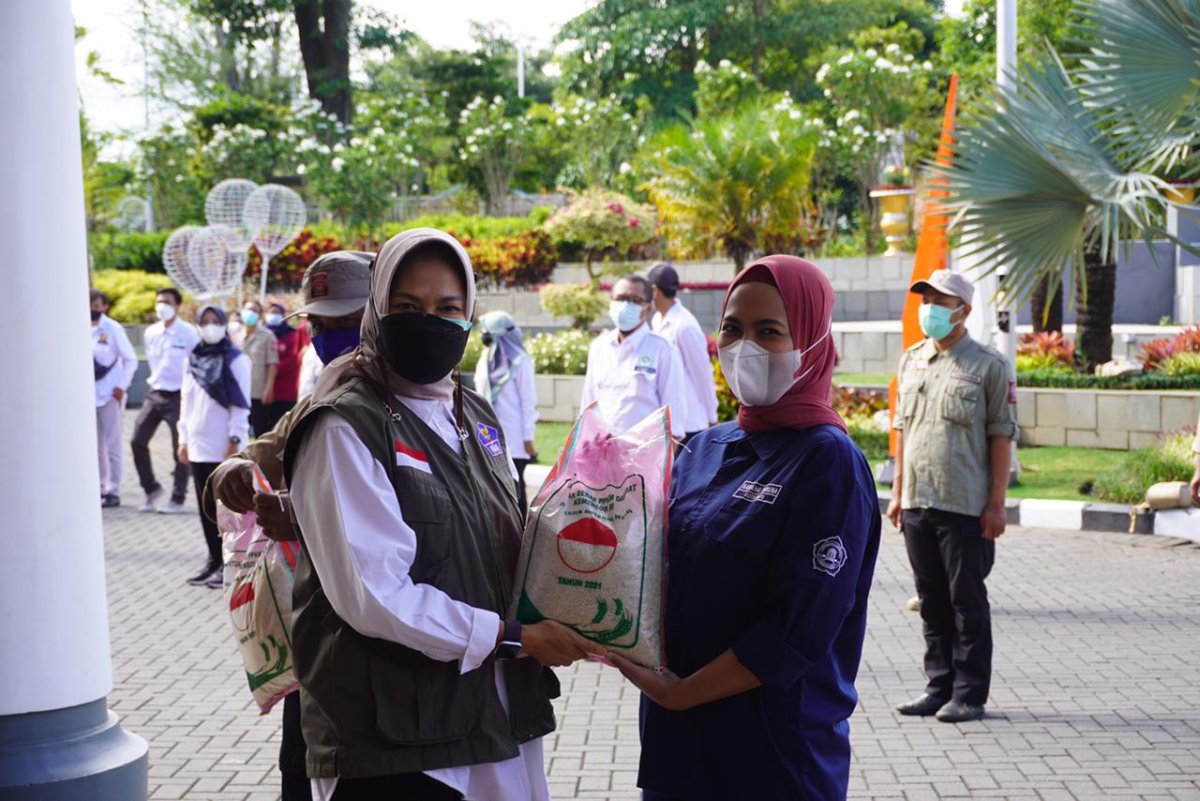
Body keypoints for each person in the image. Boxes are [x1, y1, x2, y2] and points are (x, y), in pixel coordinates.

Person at [282, 229, 600, 800]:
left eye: (447, 307)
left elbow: (503, 540)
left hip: (493, 720)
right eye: (407, 307)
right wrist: (515, 638)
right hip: (397, 744)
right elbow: (375, 595)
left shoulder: (471, 411)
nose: (429, 321)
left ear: (470, 313)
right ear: (376, 312)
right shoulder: (344, 424)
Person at [607, 255, 881, 800]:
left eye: (769, 331)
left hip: (772, 752)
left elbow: (798, 627)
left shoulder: (829, 462)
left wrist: (683, 693)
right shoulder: (706, 447)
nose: (744, 346)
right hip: (677, 744)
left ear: (809, 342)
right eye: (732, 328)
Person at [206, 251, 373, 801]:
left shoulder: (424, 401)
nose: (329, 336)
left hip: (385, 647)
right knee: (300, 767)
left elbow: (406, 516)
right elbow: (271, 448)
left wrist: (302, 518)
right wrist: (236, 466)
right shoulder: (325, 389)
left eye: (344, 322)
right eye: (320, 325)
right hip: (315, 632)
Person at [885, 269, 1018, 724]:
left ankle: (969, 693)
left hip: (965, 504)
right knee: (931, 599)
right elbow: (902, 428)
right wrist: (898, 490)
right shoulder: (911, 360)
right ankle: (938, 686)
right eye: (926, 299)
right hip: (919, 500)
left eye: (940, 302)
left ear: (962, 310)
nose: (930, 309)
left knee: (966, 602)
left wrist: (996, 504)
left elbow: (1002, 435)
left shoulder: (988, 366)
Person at [178, 306, 250, 589]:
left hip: (223, 445)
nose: (210, 326)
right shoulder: (193, 359)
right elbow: (185, 401)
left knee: (227, 510)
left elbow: (240, 404)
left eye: (215, 321)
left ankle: (229, 565)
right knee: (204, 507)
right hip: (197, 444)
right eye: (205, 322)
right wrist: (182, 438)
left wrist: (234, 440)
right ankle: (212, 559)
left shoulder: (236, 359)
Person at [580, 275, 687, 442]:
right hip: (601, 455)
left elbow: (674, 422)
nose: (625, 306)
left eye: (635, 300)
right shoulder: (599, 347)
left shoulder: (663, 350)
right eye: (620, 299)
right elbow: (588, 408)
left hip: (644, 458)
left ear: (648, 308)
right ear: (611, 302)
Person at [131, 287, 200, 514]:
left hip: (179, 395)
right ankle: (151, 488)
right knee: (137, 440)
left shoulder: (189, 333)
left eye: (167, 302)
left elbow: (198, 363)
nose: (162, 306)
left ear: (178, 306)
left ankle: (178, 497)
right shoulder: (151, 332)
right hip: (156, 392)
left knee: (179, 448)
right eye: (159, 301)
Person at [475, 310, 538, 518]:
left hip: (515, 437)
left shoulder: (521, 362)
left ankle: (520, 533)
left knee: (516, 486)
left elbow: (528, 402)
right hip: (487, 435)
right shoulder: (486, 359)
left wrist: (528, 438)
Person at [648, 262, 719, 439]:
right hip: (667, 421)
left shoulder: (684, 326)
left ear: (655, 290)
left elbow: (702, 373)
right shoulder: (657, 320)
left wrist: (712, 415)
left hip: (690, 424)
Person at [91, 289, 137, 508]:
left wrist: (121, 386)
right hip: (89, 397)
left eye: (97, 305)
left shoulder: (112, 328)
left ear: (104, 307)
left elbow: (131, 359)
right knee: (95, 446)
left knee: (113, 445)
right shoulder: (79, 325)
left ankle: (114, 489)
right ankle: (99, 486)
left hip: (110, 395)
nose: (93, 308)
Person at [263, 300, 308, 432]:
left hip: (285, 389)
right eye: (271, 312)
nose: (273, 315)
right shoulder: (262, 334)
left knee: (282, 425)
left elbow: (293, 358)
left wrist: (273, 369)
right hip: (264, 388)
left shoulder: (292, 334)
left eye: (277, 313)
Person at [239, 299, 279, 437]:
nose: (251, 313)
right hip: (237, 390)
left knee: (261, 431)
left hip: (257, 391)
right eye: (249, 309)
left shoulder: (268, 336)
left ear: (260, 315)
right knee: (238, 431)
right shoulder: (234, 334)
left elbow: (272, 364)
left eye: (255, 311)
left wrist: (269, 388)